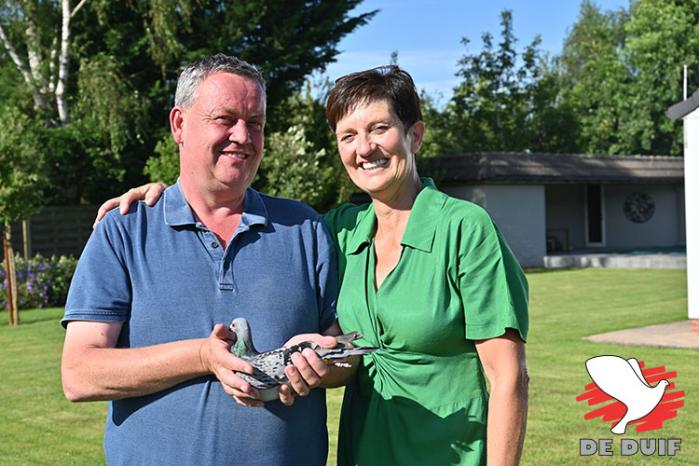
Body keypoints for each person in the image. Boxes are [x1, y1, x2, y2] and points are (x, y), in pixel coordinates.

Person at [98, 65, 529, 466]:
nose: (365, 148)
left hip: (450, 455)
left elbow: (509, 378)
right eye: (348, 135)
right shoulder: (339, 230)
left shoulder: (465, 229)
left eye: (380, 129)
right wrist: (164, 196)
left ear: (414, 136)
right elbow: (228, 197)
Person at [61, 54, 353, 466]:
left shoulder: (303, 227)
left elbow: (344, 353)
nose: (243, 136)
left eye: (255, 123)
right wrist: (201, 356)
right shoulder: (125, 229)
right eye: (225, 119)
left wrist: (318, 362)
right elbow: (79, 373)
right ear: (179, 124)